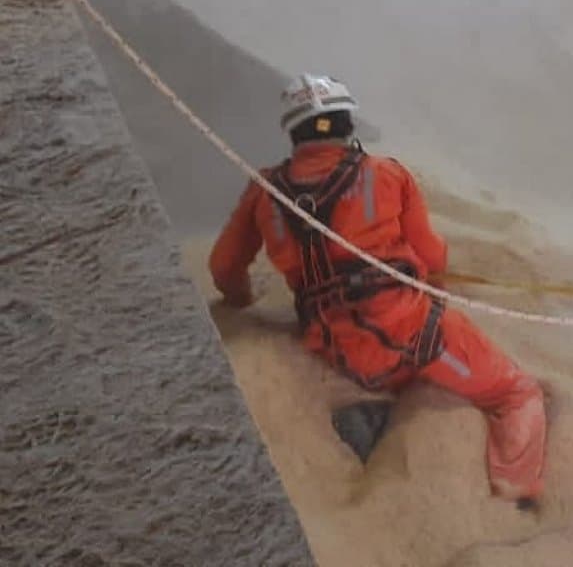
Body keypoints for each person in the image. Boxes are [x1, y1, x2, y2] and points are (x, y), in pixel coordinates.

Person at [207, 73, 547, 507]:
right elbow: (432, 257)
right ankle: (516, 491)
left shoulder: (264, 191)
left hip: (330, 345)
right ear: (347, 122)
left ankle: (372, 411)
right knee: (517, 393)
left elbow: (224, 268)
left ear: (294, 132)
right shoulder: (386, 175)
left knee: (382, 365)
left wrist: (241, 302)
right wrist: (431, 296)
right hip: (415, 338)